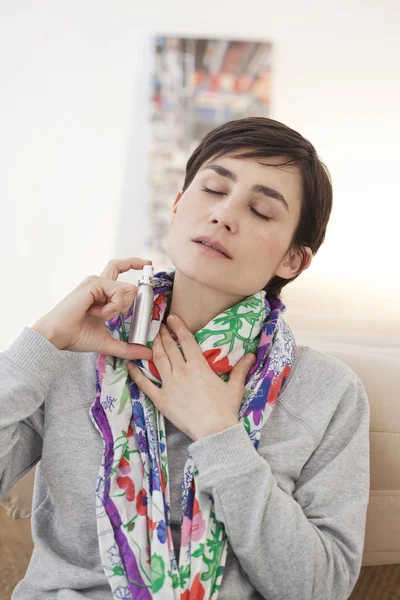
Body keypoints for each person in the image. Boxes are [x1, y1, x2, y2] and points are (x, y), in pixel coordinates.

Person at [0, 117, 370, 600]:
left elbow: (319, 587)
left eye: (260, 210)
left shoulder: (328, 391)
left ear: (292, 261)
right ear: (177, 207)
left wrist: (221, 437)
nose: (223, 215)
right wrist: (43, 340)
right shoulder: (76, 352)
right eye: (213, 189)